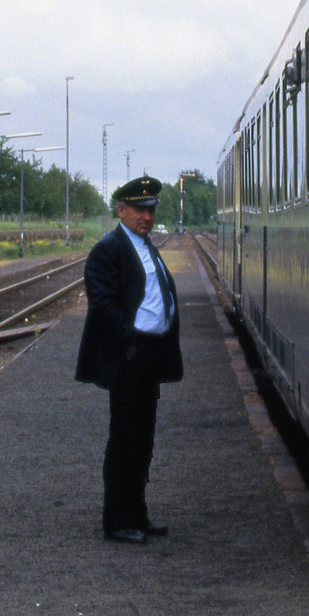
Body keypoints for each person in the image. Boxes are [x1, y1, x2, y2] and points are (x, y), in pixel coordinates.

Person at [74, 175, 183, 543]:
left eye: (150, 210)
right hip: (131, 354)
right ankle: (118, 521)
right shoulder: (109, 248)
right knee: (124, 437)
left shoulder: (145, 246)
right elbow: (101, 300)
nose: (146, 216)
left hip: (151, 351)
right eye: (139, 209)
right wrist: (129, 341)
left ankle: (137, 513)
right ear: (121, 210)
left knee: (143, 438)